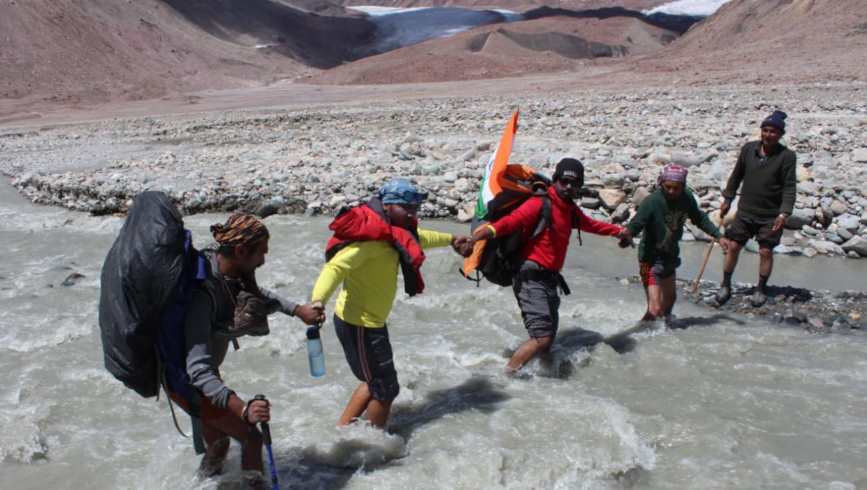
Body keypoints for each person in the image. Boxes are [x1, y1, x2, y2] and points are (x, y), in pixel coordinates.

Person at [169, 212, 324, 482]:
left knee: (220, 443)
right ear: (240, 250)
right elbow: (198, 370)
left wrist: (298, 310)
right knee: (252, 435)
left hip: (196, 379)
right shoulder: (202, 294)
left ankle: (200, 483)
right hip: (187, 382)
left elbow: (259, 296)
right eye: (261, 253)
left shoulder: (227, 273)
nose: (263, 261)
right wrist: (243, 409)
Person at [310, 178, 472, 428]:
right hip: (359, 323)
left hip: (370, 321)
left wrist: (451, 239)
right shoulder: (370, 240)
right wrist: (318, 301)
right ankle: (367, 449)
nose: (410, 214)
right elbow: (335, 267)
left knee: (375, 382)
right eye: (404, 208)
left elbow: (419, 238)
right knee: (385, 389)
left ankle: (342, 432)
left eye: (414, 209)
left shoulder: (392, 232)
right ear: (386, 206)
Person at [468, 158, 633, 376]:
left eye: (574, 183)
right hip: (529, 278)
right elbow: (510, 222)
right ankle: (505, 377)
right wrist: (476, 238)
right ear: (555, 180)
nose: (568, 187)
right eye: (564, 181)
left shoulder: (570, 210)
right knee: (541, 338)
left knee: (547, 340)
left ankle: (542, 377)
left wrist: (619, 231)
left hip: (550, 280)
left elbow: (592, 225)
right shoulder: (540, 203)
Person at [625, 164, 730, 325]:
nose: (672, 191)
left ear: (683, 186)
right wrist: (627, 234)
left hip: (670, 257)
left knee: (669, 302)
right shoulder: (651, 202)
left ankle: (662, 333)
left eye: (676, 188)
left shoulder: (686, 198)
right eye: (668, 187)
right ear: (661, 184)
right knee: (655, 309)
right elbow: (636, 224)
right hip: (649, 260)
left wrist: (719, 236)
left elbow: (699, 218)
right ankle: (639, 333)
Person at [716, 110, 797, 307]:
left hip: (769, 215)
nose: (768, 135)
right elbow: (736, 176)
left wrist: (784, 214)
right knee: (733, 247)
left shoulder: (786, 157)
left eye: (773, 132)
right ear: (761, 131)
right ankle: (725, 284)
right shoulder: (748, 150)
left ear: (780, 135)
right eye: (765, 130)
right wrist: (728, 198)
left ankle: (761, 288)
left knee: (765, 252)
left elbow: (789, 187)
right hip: (745, 212)